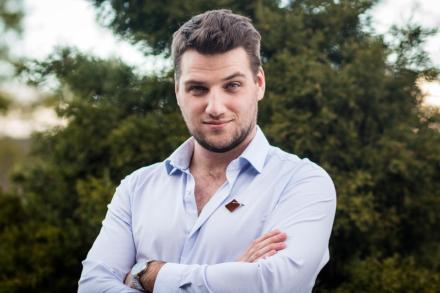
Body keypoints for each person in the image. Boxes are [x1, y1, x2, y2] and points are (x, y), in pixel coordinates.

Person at [78, 9, 336, 293]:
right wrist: (231, 277)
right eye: (198, 89)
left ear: (259, 84)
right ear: (178, 92)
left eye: (232, 85)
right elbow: (93, 286)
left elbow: (273, 284)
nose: (215, 107)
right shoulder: (136, 188)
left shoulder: (302, 183)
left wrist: (148, 274)